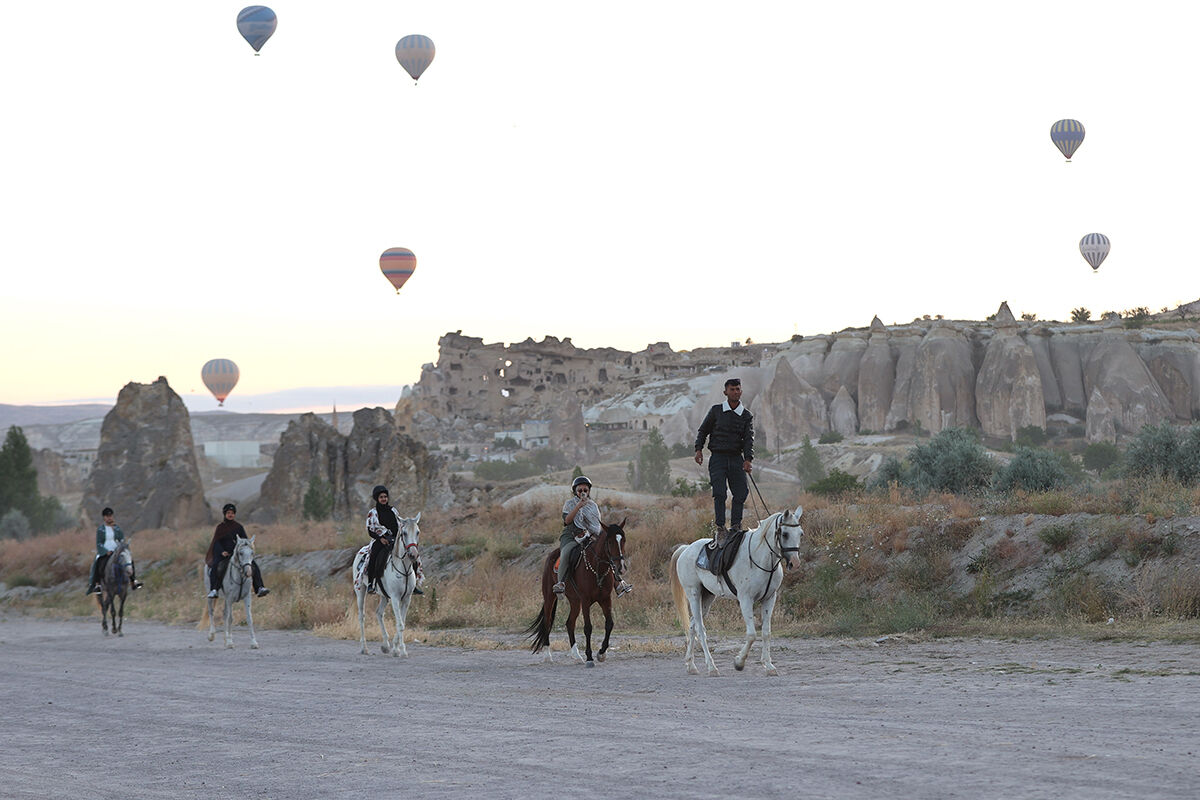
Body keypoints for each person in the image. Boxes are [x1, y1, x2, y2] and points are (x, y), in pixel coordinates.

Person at [694, 377, 754, 549]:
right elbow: (703, 430)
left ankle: (735, 527)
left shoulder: (746, 415)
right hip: (718, 457)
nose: (735, 392)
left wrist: (748, 459)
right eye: (732, 389)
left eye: (738, 389)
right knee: (719, 493)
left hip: (736, 458)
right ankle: (721, 528)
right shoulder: (716, 411)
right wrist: (698, 449)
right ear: (725, 392)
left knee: (741, 493)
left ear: (741, 391)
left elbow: (749, 439)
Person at [554, 476, 632, 597]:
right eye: (580, 490)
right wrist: (578, 506)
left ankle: (618, 582)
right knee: (567, 552)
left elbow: (596, 526)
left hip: (590, 536)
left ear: (589, 491)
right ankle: (561, 583)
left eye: (585, 490)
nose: (583, 493)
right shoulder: (569, 504)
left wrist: (595, 536)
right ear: (575, 491)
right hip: (571, 536)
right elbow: (567, 521)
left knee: (605, 552)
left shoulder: (593, 506)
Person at [365, 485, 424, 595]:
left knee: (413, 555)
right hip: (380, 540)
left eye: (385, 497)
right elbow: (370, 530)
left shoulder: (393, 510)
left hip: (395, 539)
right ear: (377, 498)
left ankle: (414, 584)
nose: (384, 499)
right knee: (374, 556)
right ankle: (371, 583)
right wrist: (381, 538)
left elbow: (400, 526)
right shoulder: (373, 513)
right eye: (381, 497)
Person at [205, 504, 269, 598]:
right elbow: (217, 542)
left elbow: (245, 541)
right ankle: (214, 590)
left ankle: (259, 587)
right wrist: (222, 551)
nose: (230, 515)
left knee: (253, 565)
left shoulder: (238, 527)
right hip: (224, 554)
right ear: (225, 514)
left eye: (232, 513)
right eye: (228, 513)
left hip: (237, 554)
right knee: (216, 567)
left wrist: (242, 550)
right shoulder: (220, 527)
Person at [87, 507, 142, 595]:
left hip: (117, 551)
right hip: (105, 552)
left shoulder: (117, 529)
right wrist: (105, 551)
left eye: (111, 516)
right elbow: (99, 543)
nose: (109, 518)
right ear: (104, 518)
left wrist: (122, 549)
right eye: (107, 516)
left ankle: (133, 581)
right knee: (98, 563)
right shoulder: (101, 529)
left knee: (129, 560)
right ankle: (97, 585)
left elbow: (122, 540)